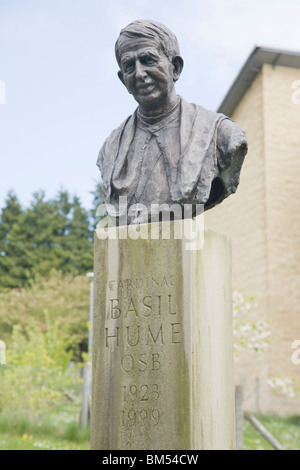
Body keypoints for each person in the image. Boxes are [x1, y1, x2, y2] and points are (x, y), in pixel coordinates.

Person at [97, 19, 248, 224]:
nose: (140, 73)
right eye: (129, 66)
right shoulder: (110, 150)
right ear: (123, 79)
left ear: (175, 67)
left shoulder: (222, 134)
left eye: (148, 60)